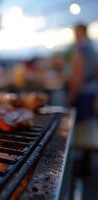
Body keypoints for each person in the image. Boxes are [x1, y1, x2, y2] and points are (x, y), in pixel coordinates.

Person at [70, 24, 97, 178]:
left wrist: (72, 94)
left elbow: (77, 72)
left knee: (81, 128)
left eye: (76, 31)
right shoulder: (92, 47)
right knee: (87, 125)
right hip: (91, 90)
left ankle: (83, 167)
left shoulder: (81, 46)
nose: (75, 34)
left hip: (82, 92)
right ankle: (86, 164)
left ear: (81, 32)